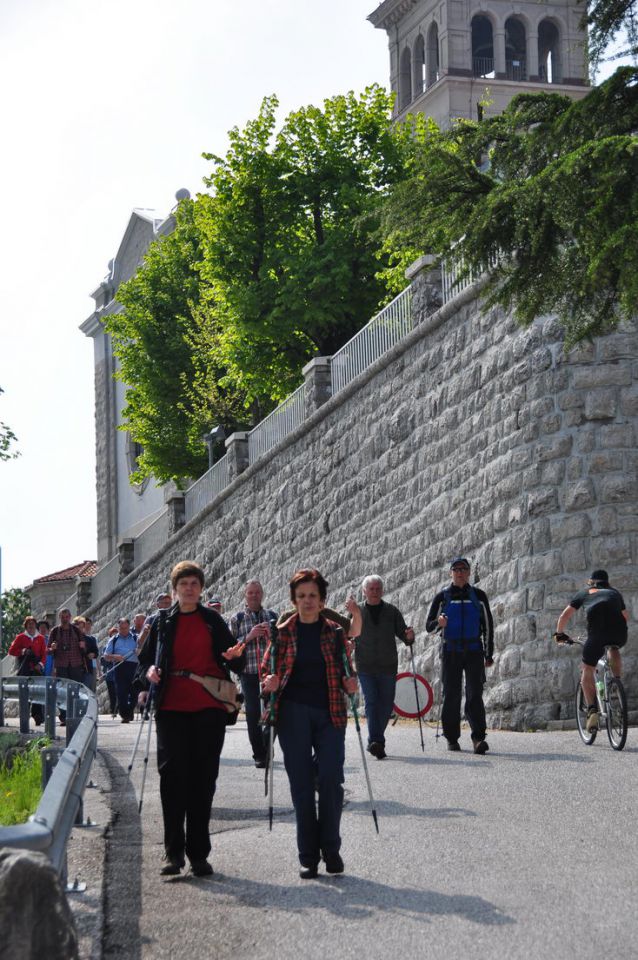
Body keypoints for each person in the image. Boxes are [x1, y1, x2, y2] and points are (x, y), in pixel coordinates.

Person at [136, 560, 246, 877]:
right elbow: (144, 664)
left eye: (194, 583)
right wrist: (150, 673)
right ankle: (173, 854)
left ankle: (199, 854)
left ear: (200, 588)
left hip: (208, 708)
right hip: (171, 708)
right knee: (172, 780)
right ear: (175, 589)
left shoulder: (212, 620)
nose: (189, 588)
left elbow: (232, 661)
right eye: (183, 583)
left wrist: (235, 657)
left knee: (202, 780)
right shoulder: (161, 622)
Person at [261, 569, 358, 879]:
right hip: (292, 715)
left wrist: (350, 683)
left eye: (312, 596)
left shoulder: (335, 633)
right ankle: (308, 856)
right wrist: (269, 682)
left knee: (331, 779)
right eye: (301, 596)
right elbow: (266, 672)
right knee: (302, 786)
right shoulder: (282, 632)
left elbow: (346, 671)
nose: (307, 601)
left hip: (331, 713)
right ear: (294, 600)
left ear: (322, 600)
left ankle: (331, 848)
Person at [426, 558, 494, 754]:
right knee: (451, 695)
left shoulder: (479, 596)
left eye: (463, 569)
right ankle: (452, 738)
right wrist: (439, 624)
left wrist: (489, 654)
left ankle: (478, 739)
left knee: (475, 694)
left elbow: (488, 625)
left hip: (474, 650)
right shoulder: (442, 597)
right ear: (450, 573)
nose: (460, 572)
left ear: (469, 573)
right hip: (450, 651)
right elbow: (429, 626)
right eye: (456, 569)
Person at [554, 569, 629, 732]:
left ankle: (592, 711)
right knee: (613, 646)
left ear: (591, 582)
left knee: (587, 668)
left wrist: (559, 635)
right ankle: (616, 682)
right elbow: (625, 616)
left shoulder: (585, 592)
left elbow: (564, 616)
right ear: (606, 582)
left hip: (596, 635)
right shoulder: (614, 593)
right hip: (620, 633)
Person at [353, 576, 414, 760]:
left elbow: (405, 636)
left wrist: (410, 636)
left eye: (378, 588)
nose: (375, 591)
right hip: (365, 666)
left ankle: (374, 740)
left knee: (386, 705)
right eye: (371, 588)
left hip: (388, 666)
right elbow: (348, 634)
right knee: (371, 701)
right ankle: (378, 742)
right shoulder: (357, 612)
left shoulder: (392, 611)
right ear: (364, 591)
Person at [229, 581, 278, 768]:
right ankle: (259, 754)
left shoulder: (272, 616)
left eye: (257, 592)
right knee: (253, 714)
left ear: (262, 594)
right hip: (248, 672)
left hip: (269, 672)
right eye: (250, 593)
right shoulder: (237, 619)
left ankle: (267, 743)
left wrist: (270, 636)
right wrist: (249, 636)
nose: (254, 596)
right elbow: (230, 648)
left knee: (274, 709)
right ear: (245, 596)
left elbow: (282, 642)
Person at [48, 608, 88, 726]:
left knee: (76, 692)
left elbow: (85, 649)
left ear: (70, 617)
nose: (65, 619)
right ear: (59, 618)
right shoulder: (55, 631)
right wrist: (52, 648)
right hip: (61, 665)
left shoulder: (76, 630)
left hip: (76, 664)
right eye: (62, 617)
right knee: (62, 692)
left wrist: (83, 646)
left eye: (67, 617)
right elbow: (48, 650)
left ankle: (75, 715)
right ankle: (65, 717)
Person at [9, 616, 47, 725]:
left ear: (36, 626)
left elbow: (43, 655)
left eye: (33, 624)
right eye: (29, 624)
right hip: (25, 670)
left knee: (37, 693)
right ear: (26, 626)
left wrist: (40, 665)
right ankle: (25, 716)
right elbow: (11, 651)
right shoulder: (20, 637)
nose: (31, 626)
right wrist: (22, 651)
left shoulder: (40, 638)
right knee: (25, 694)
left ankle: (37, 715)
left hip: (36, 670)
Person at [103, 618, 138, 722]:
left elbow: (143, 650)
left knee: (134, 693)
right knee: (121, 692)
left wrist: (139, 651)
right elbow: (105, 656)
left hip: (134, 667)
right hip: (119, 667)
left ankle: (129, 711)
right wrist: (115, 657)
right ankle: (125, 715)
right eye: (121, 628)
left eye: (125, 628)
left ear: (129, 627)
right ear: (118, 628)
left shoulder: (136, 638)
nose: (123, 630)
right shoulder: (113, 640)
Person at [74, 616, 99, 692]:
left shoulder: (90, 639)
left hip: (87, 671)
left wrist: (93, 654)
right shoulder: (70, 640)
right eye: (78, 628)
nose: (80, 630)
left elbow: (96, 652)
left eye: (81, 627)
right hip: (74, 671)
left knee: (87, 693)